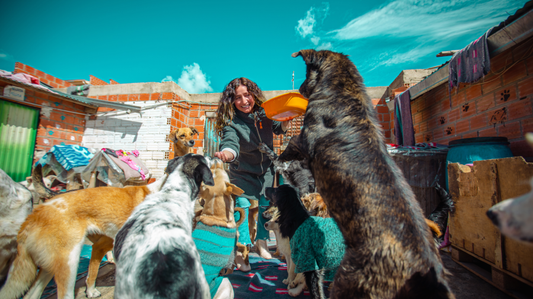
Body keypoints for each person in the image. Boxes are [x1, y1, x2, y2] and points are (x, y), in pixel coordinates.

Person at [214, 77, 289, 270]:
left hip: (265, 169)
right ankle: (242, 249)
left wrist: (285, 122)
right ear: (231, 101)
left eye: (247, 95)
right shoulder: (232, 122)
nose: (244, 101)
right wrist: (227, 154)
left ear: (253, 94)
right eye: (237, 98)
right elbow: (230, 143)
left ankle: (261, 243)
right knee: (243, 205)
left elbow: (277, 128)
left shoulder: (265, 113)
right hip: (242, 170)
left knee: (265, 204)